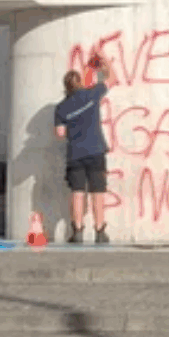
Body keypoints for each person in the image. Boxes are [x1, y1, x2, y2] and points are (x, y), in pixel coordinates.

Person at [54, 53, 115, 244]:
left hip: (75, 154)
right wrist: (104, 63)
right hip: (96, 151)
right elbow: (112, 79)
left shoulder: (62, 108)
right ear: (80, 82)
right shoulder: (91, 94)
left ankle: (78, 231)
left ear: (66, 87)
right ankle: (100, 231)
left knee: (77, 193)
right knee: (98, 192)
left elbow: (60, 134)